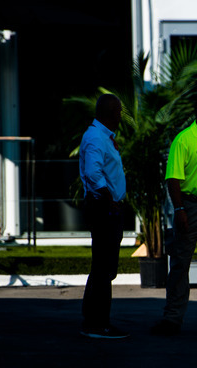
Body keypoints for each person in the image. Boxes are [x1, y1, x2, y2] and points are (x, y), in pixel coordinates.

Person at [150, 93, 197, 336]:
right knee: (181, 264)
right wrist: (180, 209)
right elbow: (173, 178)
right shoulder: (184, 140)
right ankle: (173, 319)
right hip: (190, 205)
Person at [79, 93, 128, 339]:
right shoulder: (96, 137)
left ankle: (94, 319)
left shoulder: (103, 136)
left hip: (107, 207)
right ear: (109, 113)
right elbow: (93, 172)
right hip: (103, 208)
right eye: (118, 112)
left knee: (104, 267)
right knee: (103, 267)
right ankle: (97, 323)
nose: (121, 116)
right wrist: (110, 200)